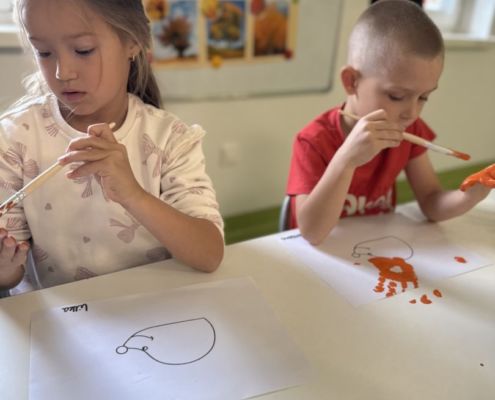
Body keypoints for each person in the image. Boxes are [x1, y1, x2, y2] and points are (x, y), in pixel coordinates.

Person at [0, 0, 224, 296]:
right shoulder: (14, 137)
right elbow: (10, 273)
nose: (63, 72)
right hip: (61, 315)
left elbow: (209, 254)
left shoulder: (170, 138)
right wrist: (4, 267)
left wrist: (133, 195)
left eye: (83, 50)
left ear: (132, 41)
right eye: (44, 52)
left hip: (155, 306)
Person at [286, 0, 494, 245]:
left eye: (423, 97)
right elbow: (312, 233)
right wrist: (346, 160)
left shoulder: (410, 129)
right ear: (352, 82)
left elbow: (431, 201)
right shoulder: (313, 140)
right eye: (396, 96)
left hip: (375, 247)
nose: (411, 113)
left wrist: (471, 195)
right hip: (319, 255)